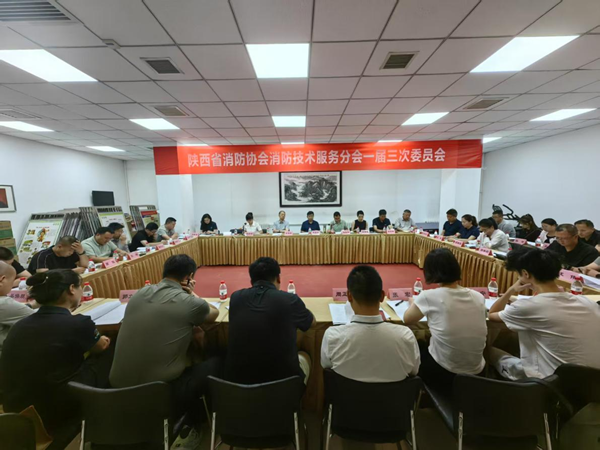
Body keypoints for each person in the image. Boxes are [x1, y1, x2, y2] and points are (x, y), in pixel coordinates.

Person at [110, 255, 219, 444]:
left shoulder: (140, 293)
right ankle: (194, 423)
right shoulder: (190, 303)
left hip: (117, 388)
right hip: (162, 391)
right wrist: (192, 293)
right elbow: (213, 314)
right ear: (189, 277)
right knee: (216, 361)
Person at [0, 269, 111, 435]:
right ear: (72, 289)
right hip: (56, 411)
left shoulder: (19, 325)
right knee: (109, 352)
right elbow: (101, 346)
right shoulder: (78, 323)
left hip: (17, 410)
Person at [488, 247, 600, 380]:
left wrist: (511, 290)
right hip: (593, 381)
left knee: (487, 350)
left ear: (525, 274)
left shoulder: (528, 307)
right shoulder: (588, 302)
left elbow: (492, 315)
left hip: (549, 382)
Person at [403, 248, 487, 394]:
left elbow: (407, 319)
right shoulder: (478, 296)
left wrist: (413, 302)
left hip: (446, 373)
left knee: (413, 345)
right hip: (479, 373)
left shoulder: (428, 296)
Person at [321, 265, 420, 382]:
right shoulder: (406, 336)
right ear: (382, 296)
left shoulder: (332, 336)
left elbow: (326, 366)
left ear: (349, 296)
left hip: (346, 394)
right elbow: (414, 371)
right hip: (395, 395)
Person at [225, 257, 315, 385]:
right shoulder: (290, 300)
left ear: (251, 281)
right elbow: (312, 323)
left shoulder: (236, 297)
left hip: (240, 386)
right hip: (283, 387)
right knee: (305, 356)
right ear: (278, 279)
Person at [0, 261, 34, 356]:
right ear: (2, 280)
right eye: (12, 282)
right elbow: (38, 319)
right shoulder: (4, 303)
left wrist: (31, 305)